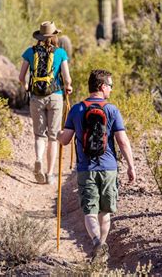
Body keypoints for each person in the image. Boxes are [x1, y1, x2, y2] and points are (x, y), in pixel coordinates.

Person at [57, 69, 136, 261]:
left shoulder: (77, 109)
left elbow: (65, 140)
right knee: (105, 212)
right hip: (109, 169)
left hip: (86, 170)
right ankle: (102, 246)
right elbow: (123, 141)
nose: (111, 89)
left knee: (90, 212)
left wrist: (59, 134)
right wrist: (131, 166)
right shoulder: (111, 110)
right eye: (110, 86)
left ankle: (96, 243)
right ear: (102, 87)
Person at [19, 21, 73, 185]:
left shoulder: (30, 52)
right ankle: (50, 174)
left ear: (40, 36)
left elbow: (21, 77)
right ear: (54, 36)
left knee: (39, 135)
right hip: (55, 96)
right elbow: (67, 78)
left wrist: (27, 86)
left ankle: (38, 159)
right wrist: (68, 87)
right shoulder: (61, 53)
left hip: (36, 97)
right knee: (53, 136)